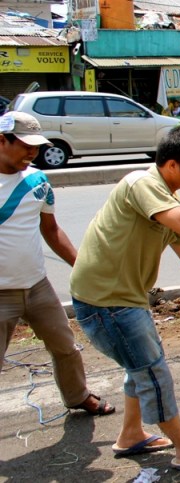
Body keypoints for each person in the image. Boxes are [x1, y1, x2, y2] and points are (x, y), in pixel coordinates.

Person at [69, 125, 180, 473]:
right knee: (151, 371)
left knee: (143, 365)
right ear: (170, 166)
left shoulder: (167, 203)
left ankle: (132, 434)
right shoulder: (142, 184)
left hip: (125, 299)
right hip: (105, 301)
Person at [0, 112, 115, 418]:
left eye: (36, 147)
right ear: (2, 140)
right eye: (25, 146)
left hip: (37, 285)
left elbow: (50, 230)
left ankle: (78, 396)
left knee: (65, 346)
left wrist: (83, 266)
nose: (32, 153)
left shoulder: (38, 181)